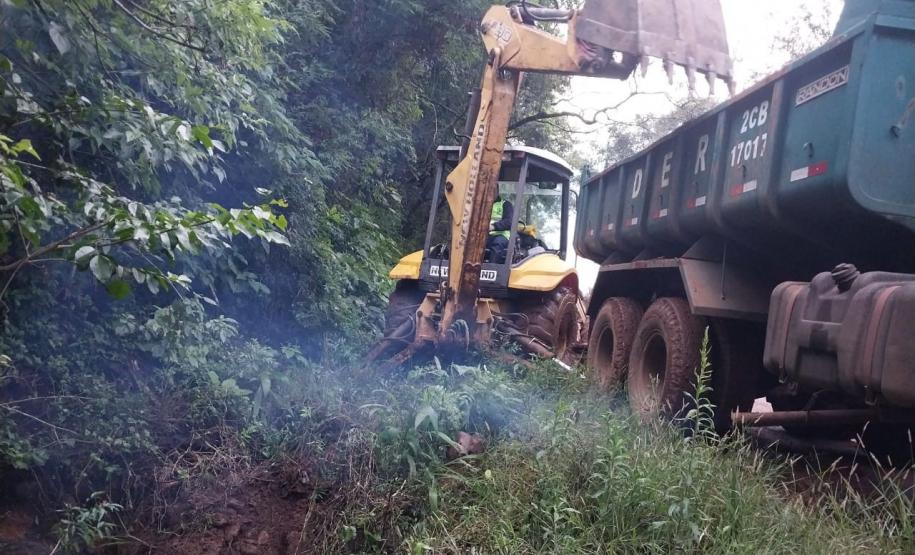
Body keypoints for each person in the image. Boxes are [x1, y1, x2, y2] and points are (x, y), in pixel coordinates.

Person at [486, 192, 513, 263]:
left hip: (502, 235)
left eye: (493, 190)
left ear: (497, 191)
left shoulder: (505, 204)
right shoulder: (483, 205)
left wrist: (493, 226)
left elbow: (508, 222)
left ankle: (491, 269)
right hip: (486, 235)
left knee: (497, 243)